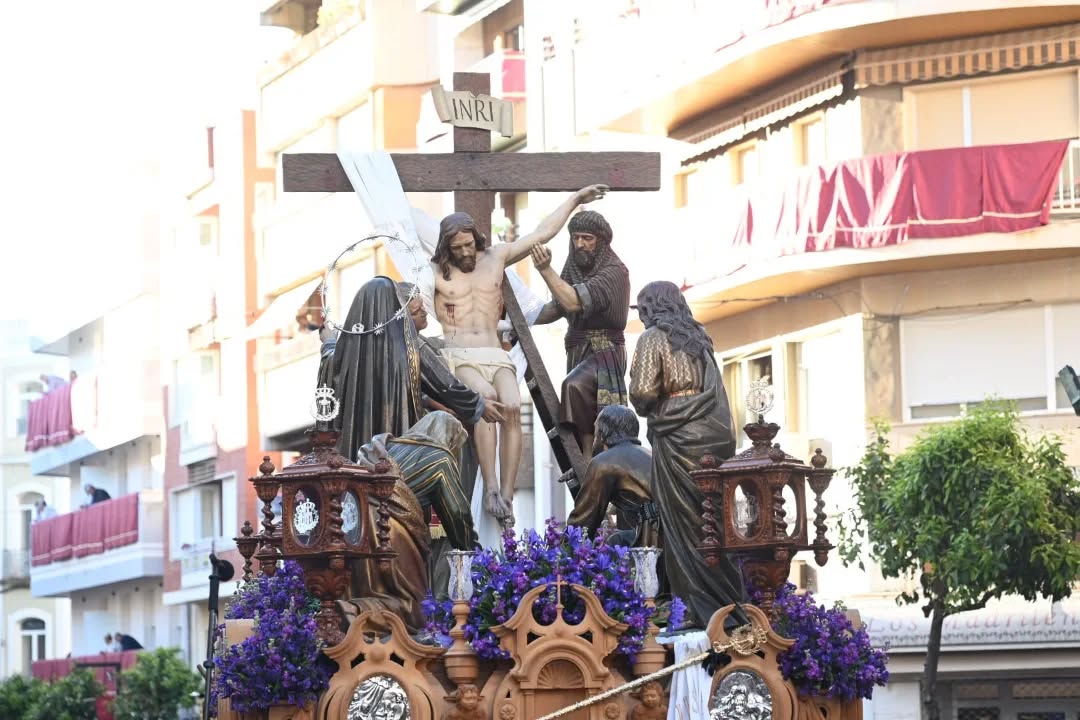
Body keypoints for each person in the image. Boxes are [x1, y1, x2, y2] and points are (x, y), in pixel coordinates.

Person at [430, 184, 608, 525]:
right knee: (486, 400)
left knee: (512, 405)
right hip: (459, 353)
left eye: (469, 244)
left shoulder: (495, 258)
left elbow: (542, 233)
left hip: (495, 354)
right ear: (446, 247)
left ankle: (507, 497)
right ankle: (491, 488)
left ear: (477, 239)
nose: (466, 252)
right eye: (458, 248)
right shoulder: (435, 272)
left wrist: (573, 200)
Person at [629, 280, 745, 629]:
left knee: (683, 526)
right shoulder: (699, 339)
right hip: (712, 436)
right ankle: (730, 605)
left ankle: (699, 610)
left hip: (676, 438)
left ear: (651, 308)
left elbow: (643, 392)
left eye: (643, 308)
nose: (644, 316)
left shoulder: (652, 338)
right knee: (712, 523)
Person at [326, 276, 504, 462]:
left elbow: (329, 360)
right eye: (416, 310)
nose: (423, 312)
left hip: (352, 457)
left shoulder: (346, 354)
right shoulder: (410, 347)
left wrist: (329, 340)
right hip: (397, 449)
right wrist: (478, 404)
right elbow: (443, 383)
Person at [530, 210, 630, 462]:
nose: (580, 244)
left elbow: (573, 302)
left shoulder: (614, 271)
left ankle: (589, 457)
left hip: (604, 351)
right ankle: (586, 456)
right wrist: (515, 318)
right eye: (576, 238)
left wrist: (545, 270)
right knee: (581, 409)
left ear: (601, 241)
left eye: (587, 238)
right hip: (577, 349)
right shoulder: (574, 265)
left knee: (574, 387)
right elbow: (557, 306)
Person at [567, 405, 657, 548]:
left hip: (654, 538)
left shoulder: (603, 463)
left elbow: (583, 521)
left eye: (596, 429)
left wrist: (562, 555)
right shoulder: (649, 455)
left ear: (603, 433)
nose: (594, 436)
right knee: (617, 541)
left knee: (613, 551)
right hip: (670, 531)